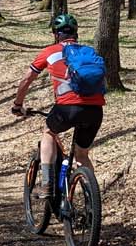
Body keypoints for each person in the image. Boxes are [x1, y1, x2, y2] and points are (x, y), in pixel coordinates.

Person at [11, 13, 105, 199]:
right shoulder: (89, 52)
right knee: (82, 155)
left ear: (56, 34)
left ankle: (47, 185)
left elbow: (26, 79)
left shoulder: (49, 52)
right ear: (75, 34)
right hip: (95, 110)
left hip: (67, 108)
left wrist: (18, 104)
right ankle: (92, 200)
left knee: (48, 132)